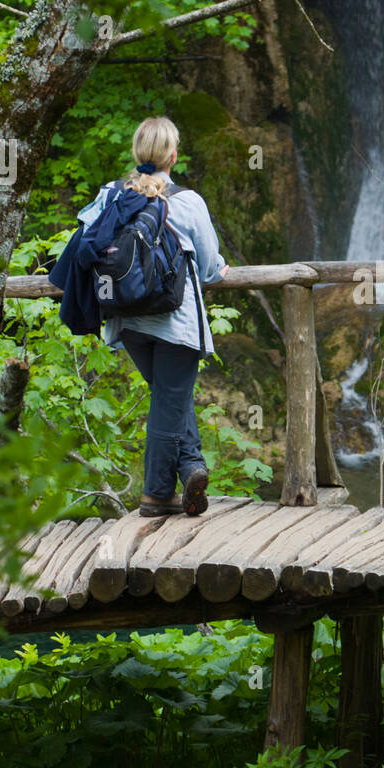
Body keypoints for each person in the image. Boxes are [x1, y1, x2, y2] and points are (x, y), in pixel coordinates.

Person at [75, 117, 229, 517]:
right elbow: (210, 268)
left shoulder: (111, 195)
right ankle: (157, 495)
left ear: (136, 154)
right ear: (173, 157)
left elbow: (84, 242)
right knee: (168, 401)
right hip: (174, 322)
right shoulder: (188, 201)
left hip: (126, 319)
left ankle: (192, 465)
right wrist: (222, 269)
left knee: (168, 397)